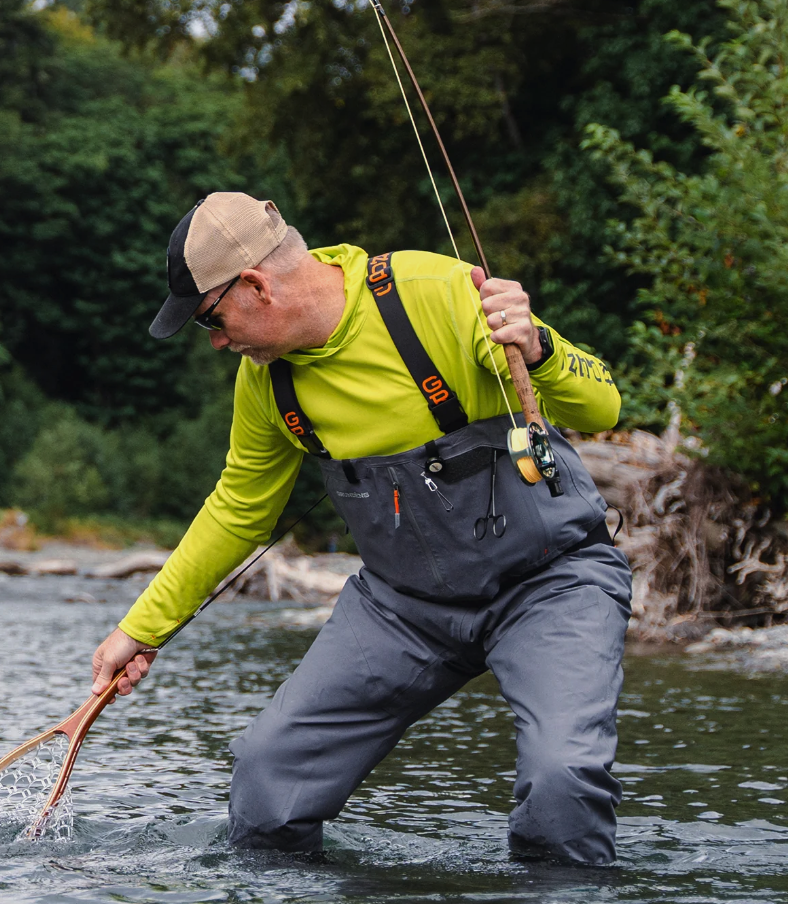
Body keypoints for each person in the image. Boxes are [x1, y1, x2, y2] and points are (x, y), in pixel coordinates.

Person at [91, 192, 632, 864]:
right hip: (404, 609)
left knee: (562, 786)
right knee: (266, 782)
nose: (220, 341)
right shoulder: (267, 384)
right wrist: (140, 630)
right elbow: (239, 509)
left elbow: (604, 403)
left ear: (256, 285)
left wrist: (542, 347)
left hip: (551, 583)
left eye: (212, 320)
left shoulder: (434, 293)